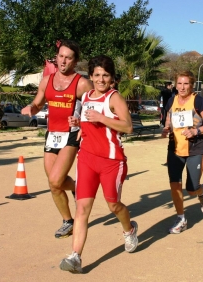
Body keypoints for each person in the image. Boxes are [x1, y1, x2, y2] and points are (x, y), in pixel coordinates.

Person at [59, 55, 138, 273]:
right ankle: (75, 256)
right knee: (82, 208)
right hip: (86, 159)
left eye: (105, 75)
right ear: (91, 75)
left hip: (112, 161)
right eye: (97, 75)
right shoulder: (85, 98)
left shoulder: (114, 98)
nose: (101, 79)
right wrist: (78, 123)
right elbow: (88, 127)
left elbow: (128, 127)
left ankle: (129, 230)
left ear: (111, 78)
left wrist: (101, 118)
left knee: (114, 205)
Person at [21, 40, 93, 238]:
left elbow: (94, 107)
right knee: (54, 184)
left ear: (75, 61)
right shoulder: (47, 80)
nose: (63, 61)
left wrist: (81, 120)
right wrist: (31, 109)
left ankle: (75, 199)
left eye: (68, 57)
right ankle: (68, 220)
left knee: (55, 179)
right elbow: (37, 103)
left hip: (71, 134)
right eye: (60, 56)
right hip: (52, 134)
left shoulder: (82, 83)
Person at [162, 71, 203, 234]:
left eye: (186, 84)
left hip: (195, 149)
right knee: (174, 185)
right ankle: (181, 218)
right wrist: (166, 128)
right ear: (175, 84)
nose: (182, 87)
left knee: (192, 189)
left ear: (192, 85)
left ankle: (202, 191)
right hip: (175, 148)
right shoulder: (172, 100)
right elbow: (169, 118)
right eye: (179, 83)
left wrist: (196, 131)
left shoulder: (198, 101)